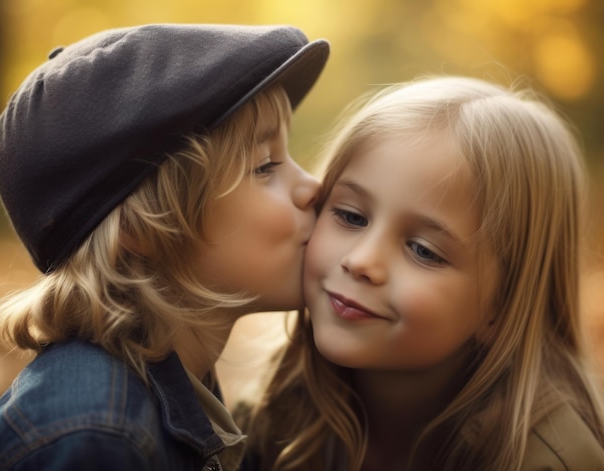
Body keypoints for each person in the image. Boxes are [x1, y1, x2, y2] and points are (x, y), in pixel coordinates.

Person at [0, 23, 329, 471]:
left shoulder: (179, 389)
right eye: (265, 166)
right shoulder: (94, 441)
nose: (313, 187)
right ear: (142, 229)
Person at [241, 76, 604, 470]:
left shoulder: (550, 460)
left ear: (502, 306)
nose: (362, 261)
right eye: (350, 215)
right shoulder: (283, 406)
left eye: (423, 251)